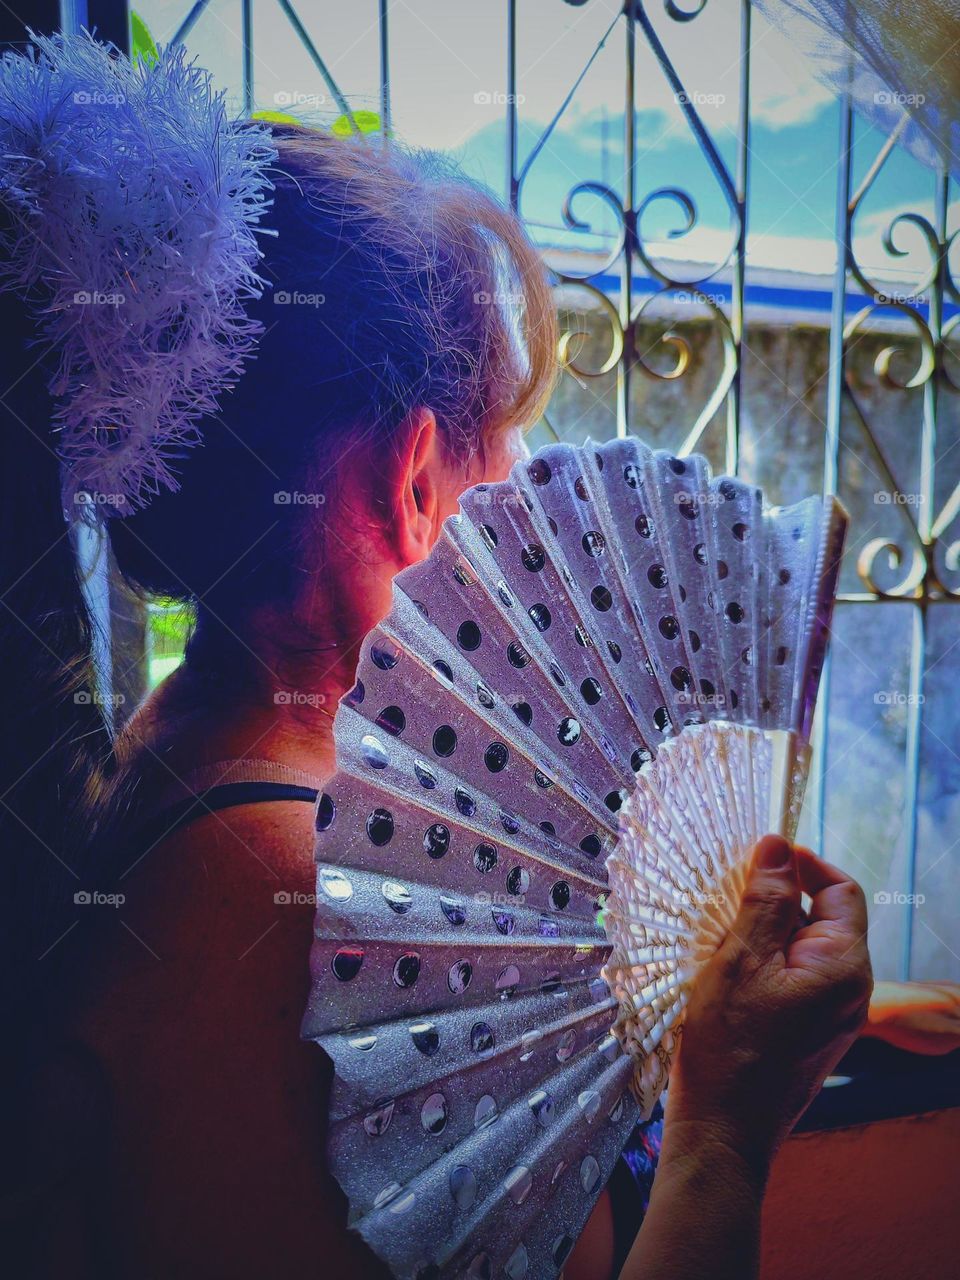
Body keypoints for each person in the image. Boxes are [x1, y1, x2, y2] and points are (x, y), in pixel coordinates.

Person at [0, 40, 872, 1280]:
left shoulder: (186, 751)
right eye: (505, 446)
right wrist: (727, 1127)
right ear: (416, 482)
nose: (520, 489)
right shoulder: (284, 891)